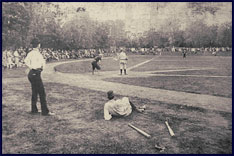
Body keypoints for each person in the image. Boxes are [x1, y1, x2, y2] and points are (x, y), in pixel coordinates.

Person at [24, 38, 54, 116]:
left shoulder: (31, 53)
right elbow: (40, 63)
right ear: (38, 45)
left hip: (33, 73)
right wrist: (33, 67)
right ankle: (45, 111)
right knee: (42, 92)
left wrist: (32, 67)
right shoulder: (35, 53)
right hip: (35, 73)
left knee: (35, 91)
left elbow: (26, 61)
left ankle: (34, 109)